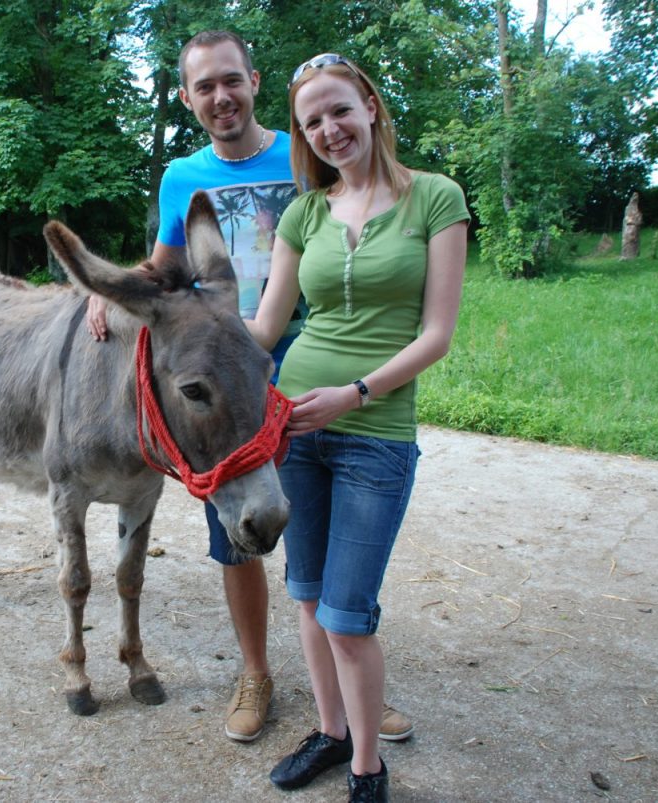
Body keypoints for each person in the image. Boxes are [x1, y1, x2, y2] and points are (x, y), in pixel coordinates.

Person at [86, 32, 415, 746]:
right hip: (227, 382)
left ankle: (354, 680)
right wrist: (109, 289)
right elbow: (167, 264)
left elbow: (359, 207)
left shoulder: (302, 155)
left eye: (231, 81)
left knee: (326, 524)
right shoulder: (181, 176)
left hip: (309, 360)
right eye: (204, 87)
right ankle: (257, 671)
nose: (221, 97)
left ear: (255, 80)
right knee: (238, 533)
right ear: (187, 98)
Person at [243, 53, 469, 800]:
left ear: (370, 104)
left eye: (339, 109)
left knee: (347, 612)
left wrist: (356, 392)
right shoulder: (305, 213)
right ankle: (332, 734)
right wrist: (163, 317)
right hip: (296, 429)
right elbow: (268, 325)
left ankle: (369, 764)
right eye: (313, 121)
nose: (329, 129)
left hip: (375, 431)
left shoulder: (435, 198)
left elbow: (437, 334)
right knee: (306, 594)